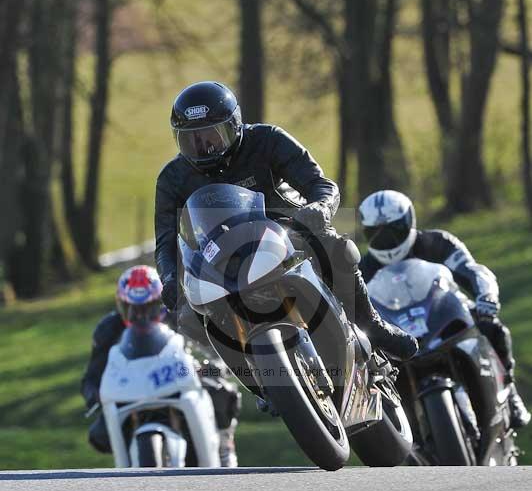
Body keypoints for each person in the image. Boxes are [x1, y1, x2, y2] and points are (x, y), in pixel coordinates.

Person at [154, 80, 418, 365]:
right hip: (222, 257)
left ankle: (371, 324)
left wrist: (320, 209)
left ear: (235, 125)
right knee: (188, 313)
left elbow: (321, 184)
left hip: (287, 233)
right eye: (190, 140)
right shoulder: (172, 178)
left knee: (335, 247)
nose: (203, 148)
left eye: (212, 136)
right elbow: (165, 242)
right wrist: (169, 278)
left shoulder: (267, 140)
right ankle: (248, 373)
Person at [358, 189, 530, 430]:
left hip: (444, 311)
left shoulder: (437, 242)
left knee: (493, 328)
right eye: (376, 233)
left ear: (409, 222)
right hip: (397, 331)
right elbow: (353, 307)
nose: (386, 240)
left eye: (394, 230)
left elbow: (473, 270)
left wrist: (486, 295)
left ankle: (509, 392)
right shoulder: (363, 268)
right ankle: (401, 430)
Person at [80, 265, 241, 466]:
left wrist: (214, 364)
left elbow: (212, 346)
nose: (140, 316)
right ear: (121, 305)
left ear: (161, 302)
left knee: (222, 392)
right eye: (132, 308)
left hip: (176, 379)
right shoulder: (108, 330)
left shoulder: (179, 316)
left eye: (148, 307)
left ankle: (224, 447)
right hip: (129, 392)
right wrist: (94, 394)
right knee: (99, 434)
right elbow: (91, 376)